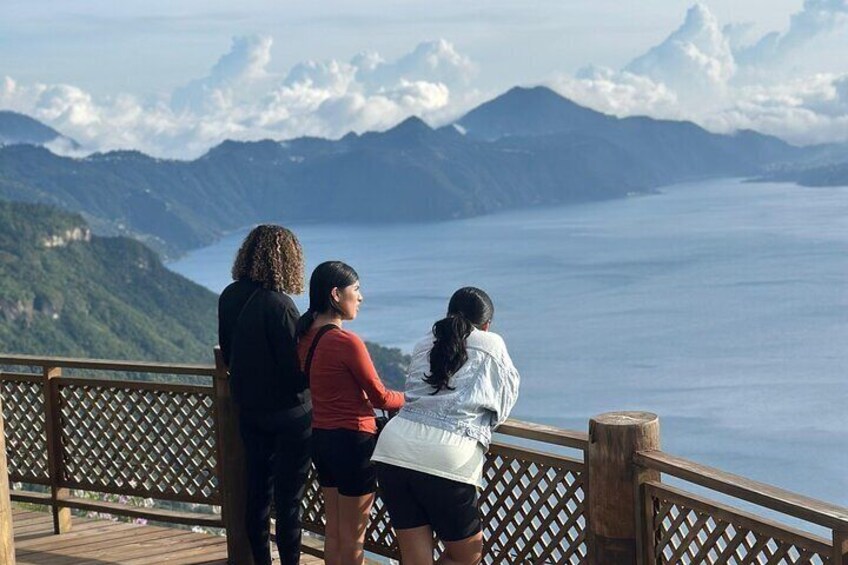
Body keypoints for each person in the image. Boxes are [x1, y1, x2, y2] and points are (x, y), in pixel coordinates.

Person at [372, 287, 520, 565]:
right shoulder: (492, 343)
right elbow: (504, 401)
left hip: (393, 450)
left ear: (448, 315)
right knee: (467, 557)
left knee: (416, 560)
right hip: (447, 457)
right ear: (486, 325)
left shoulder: (423, 343)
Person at [295, 261, 405, 565]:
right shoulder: (346, 342)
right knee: (354, 539)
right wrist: (412, 399)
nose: (361, 297)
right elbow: (380, 397)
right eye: (355, 290)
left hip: (321, 439)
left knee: (334, 532)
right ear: (335, 294)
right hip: (354, 443)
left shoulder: (304, 338)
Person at [217, 224, 311, 565]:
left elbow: (228, 353)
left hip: (249, 410)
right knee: (288, 502)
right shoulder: (281, 306)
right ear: (286, 259)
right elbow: (295, 369)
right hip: (290, 416)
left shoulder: (229, 296)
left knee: (256, 494)